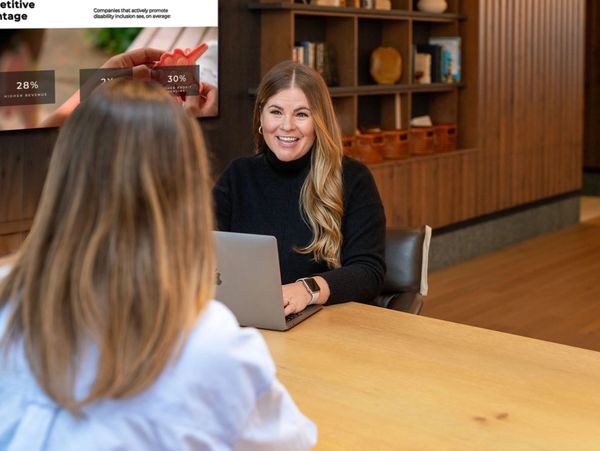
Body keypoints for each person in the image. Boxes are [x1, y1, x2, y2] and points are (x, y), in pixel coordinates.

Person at [0, 79, 316, 450]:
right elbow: (291, 442)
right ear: (185, 188)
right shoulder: (209, 344)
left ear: (64, 172)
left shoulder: (9, 297)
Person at [213, 61, 386, 316]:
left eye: (301, 114)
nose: (287, 126)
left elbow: (369, 271)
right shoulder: (238, 175)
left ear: (319, 120)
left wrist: (307, 290)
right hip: (250, 320)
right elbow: (201, 250)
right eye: (276, 112)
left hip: (326, 325)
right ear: (261, 115)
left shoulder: (353, 178)